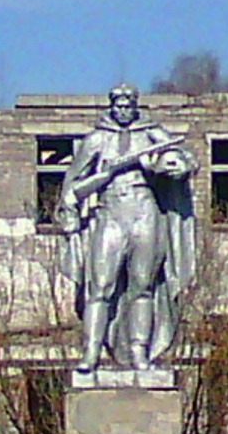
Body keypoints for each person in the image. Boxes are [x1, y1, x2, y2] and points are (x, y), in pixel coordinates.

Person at [56, 84, 197, 371]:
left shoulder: (151, 134)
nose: (123, 111)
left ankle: (139, 353)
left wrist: (176, 167)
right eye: (118, 106)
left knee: (142, 287)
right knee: (100, 287)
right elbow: (72, 187)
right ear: (111, 107)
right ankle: (91, 353)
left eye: (128, 105)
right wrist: (102, 178)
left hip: (145, 211)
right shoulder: (96, 139)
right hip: (110, 213)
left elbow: (186, 159)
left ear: (135, 106)